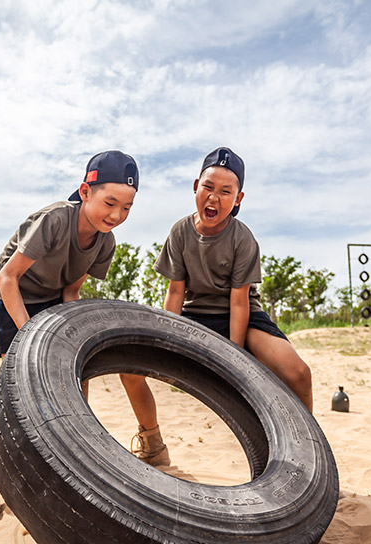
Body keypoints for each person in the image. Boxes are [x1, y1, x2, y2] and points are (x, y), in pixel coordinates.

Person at [0, 150, 139, 517]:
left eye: (126, 208)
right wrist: (29, 335)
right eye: (110, 202)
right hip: (15, 296)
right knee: (10, 386)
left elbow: (71, 291)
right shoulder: (55, 219)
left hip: (52, 300)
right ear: (85, 191)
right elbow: (6, 278)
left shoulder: (105, 243)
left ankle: (72, 470)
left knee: (75, 378)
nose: (116, 215)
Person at [119, 147, 313, 467]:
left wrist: (233, 359)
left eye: (226, 191)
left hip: (242, 317)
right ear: (196, 186)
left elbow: (239, 302)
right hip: (196, 316)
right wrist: (167, 341)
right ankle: (152, 442)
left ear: (238, 199)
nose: (214, 197)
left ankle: (306, 457)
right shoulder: (181, 232)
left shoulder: (243, 238)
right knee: (129, 367)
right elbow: (175, 291)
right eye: (208, 187)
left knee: (299, 373)